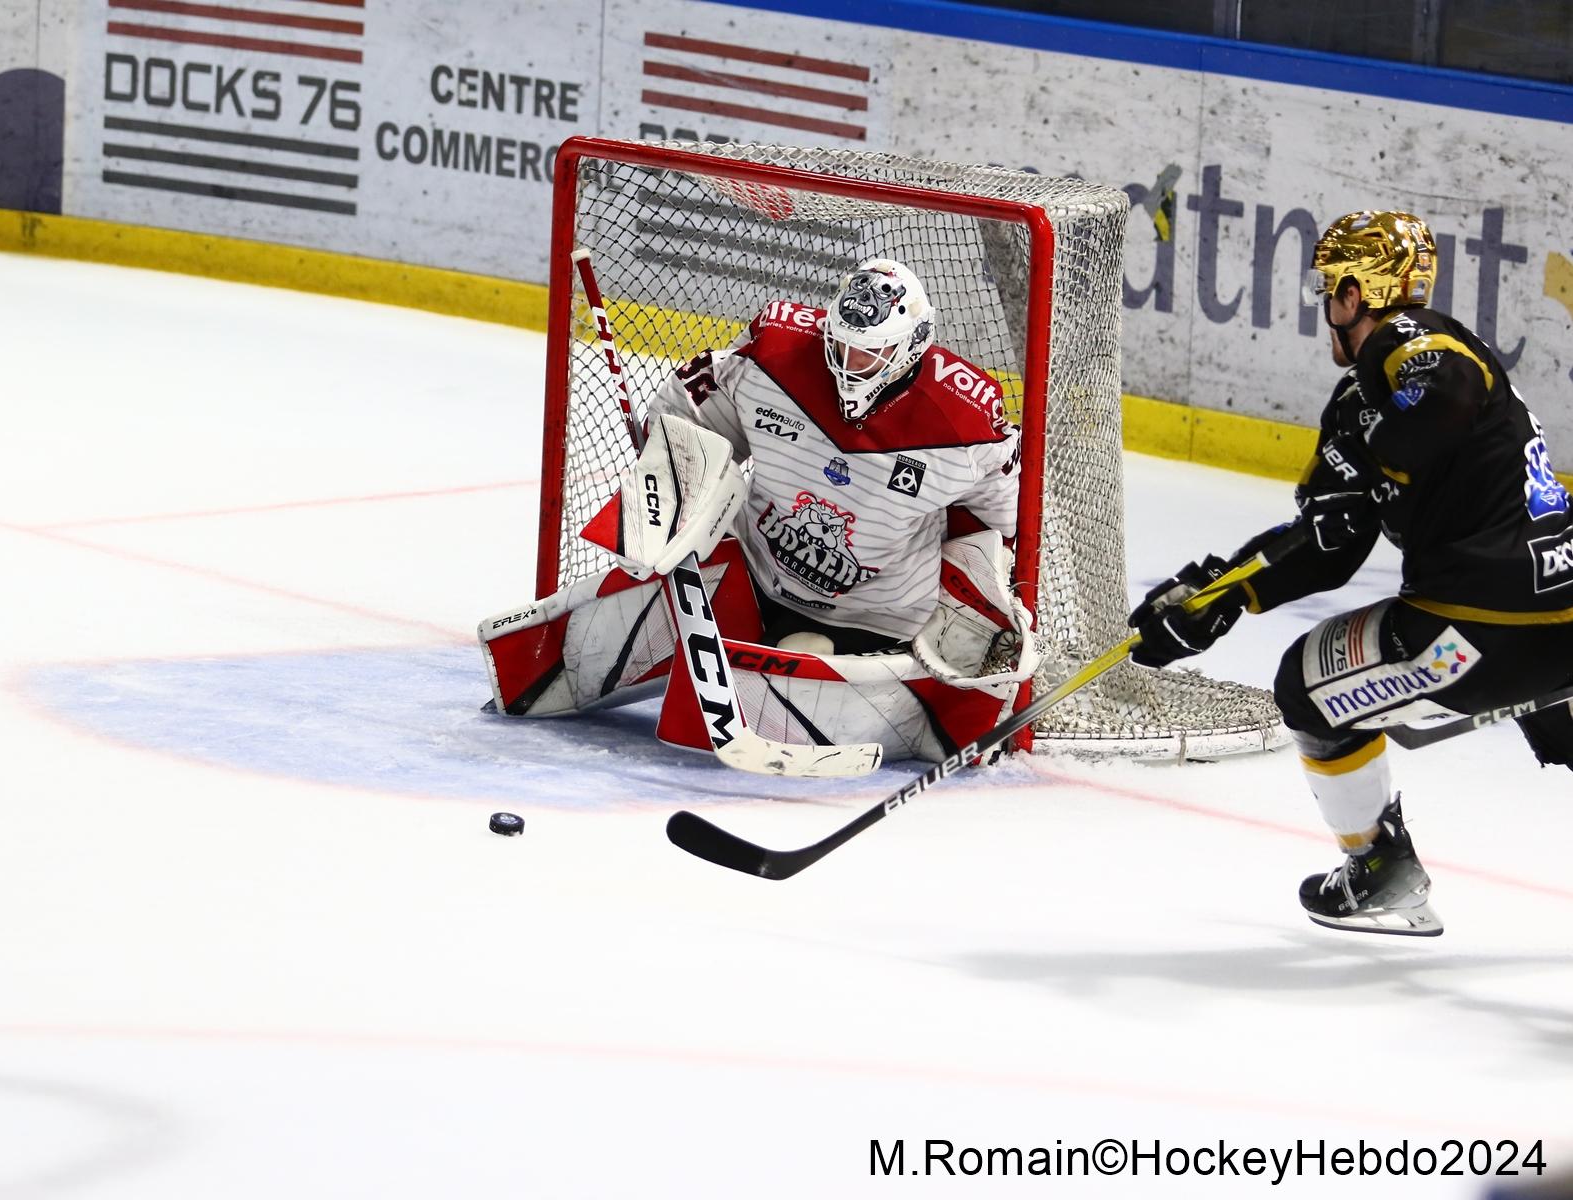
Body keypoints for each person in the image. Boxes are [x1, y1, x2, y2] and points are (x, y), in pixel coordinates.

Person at [1128, 210, 1573, 936]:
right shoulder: (1362, 401)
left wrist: (1372, 453)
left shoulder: (1412, 342)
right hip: (1561, 613)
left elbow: (1449, 395)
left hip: (1475, 632)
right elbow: (1331, 546)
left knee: (1304, 687)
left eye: (1327, 289)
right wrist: (1220, 594)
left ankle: (1379, 868)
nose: (1323, 307)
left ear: (1353, 291)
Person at [478, 257, 1039, 765]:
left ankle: (919, 710)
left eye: (869, 353)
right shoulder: (776, 355)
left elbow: (999, 524)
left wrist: (985, 597)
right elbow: (689, 412)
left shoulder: (966, 423)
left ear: (913, 346)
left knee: (793, 663)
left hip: (874, 622)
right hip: (752, 578)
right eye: (839, 345)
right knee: (630, 605)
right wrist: (669, 469)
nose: (848, 363)